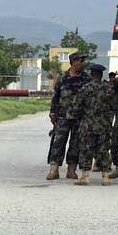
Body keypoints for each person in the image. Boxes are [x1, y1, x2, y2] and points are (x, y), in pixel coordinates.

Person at [47, 52, 91, 180]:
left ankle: (71, 170)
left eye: (83, 61)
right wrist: (52, 113)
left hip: (79, 117)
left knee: (76, 144)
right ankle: (53, 169)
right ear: (73, 62)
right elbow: (56, 97)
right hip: (62, 116)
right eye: (80, 61)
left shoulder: (86, 79)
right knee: (58, 142)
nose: (82, 64)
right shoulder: (62, 78)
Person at [69, 64, 113, 186]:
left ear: (91, 74)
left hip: (87, 124)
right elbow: (113, 106)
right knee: (103, 150)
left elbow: (76, 107)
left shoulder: (85, 88)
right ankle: (105, 176)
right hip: (104, 125)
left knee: (86, 149)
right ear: (101, 74)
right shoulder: (108, 88)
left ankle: (85, 176)